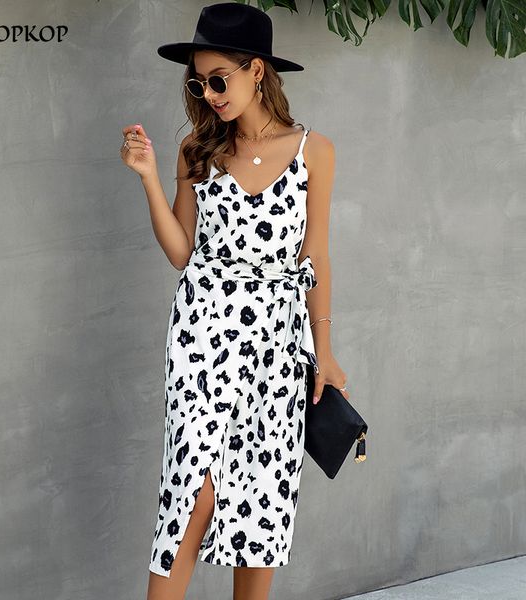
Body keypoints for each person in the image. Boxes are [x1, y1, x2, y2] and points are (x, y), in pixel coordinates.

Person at [120, 3, 348, 599]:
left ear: (257, 71)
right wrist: (148, 177)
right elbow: (181, 252)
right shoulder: (197, 150)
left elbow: (315, 257)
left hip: (277, 344)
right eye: (199, 83)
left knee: (261, 503)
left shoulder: (314, 151)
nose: (209, 95)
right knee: (191, 495)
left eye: (219, 79)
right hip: (201, 336)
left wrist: (324, 351)